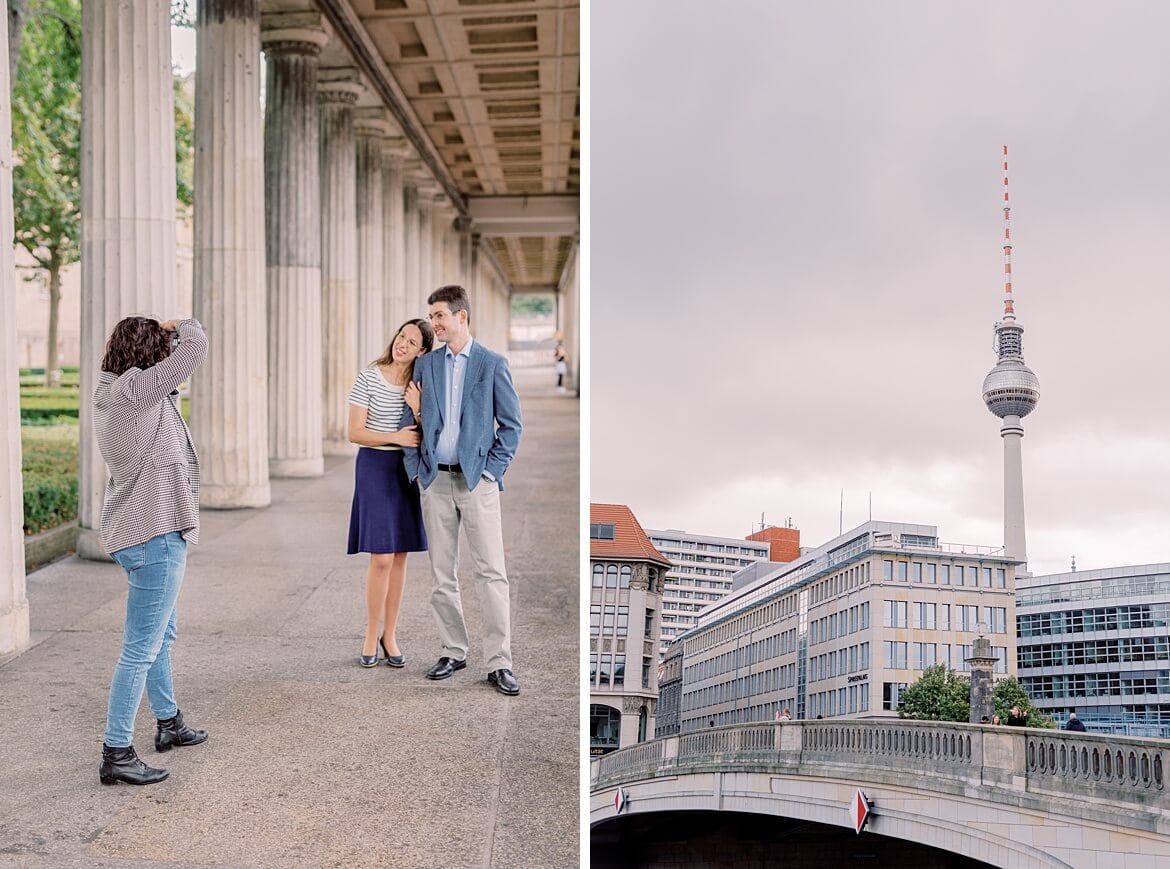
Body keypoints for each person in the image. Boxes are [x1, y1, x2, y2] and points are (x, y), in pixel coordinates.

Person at [93, 316, 210, 786]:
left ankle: (168, 722)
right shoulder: (135, 390)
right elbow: (195, 346)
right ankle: (116, 751)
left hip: (140, 532)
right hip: (154, 534)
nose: (168, 352)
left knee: (160, 635)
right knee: (140, 648)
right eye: (160, 346)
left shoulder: (114, 391)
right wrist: (180, 324)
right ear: (147, 353)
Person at [402, 285, 523, 695]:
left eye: (439, 315)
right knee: (442, 574)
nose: (433, 323)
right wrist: (417, 469)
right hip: (435, 480)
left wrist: (491, 472)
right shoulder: (427, 366)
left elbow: (511, 426)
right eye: (431, 316)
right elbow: (411, 420)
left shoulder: (492, 364)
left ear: (461, 317)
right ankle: (453, 650)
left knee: (491, 572)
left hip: (476, 483)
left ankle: (499, 661)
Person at [347, 319, 434, 668]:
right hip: (374, 467)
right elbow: (354, 432)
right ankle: (371, 632)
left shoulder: (420, 384)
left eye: (412, 342)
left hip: (406, 470)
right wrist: (395, 437)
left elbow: (432, 430)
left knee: (400, 556)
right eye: (402, 337)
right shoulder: (369, 375)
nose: (403, 344)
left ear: (422, 351)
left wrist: (417, 407)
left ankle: (390, 634)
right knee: (381, 556)